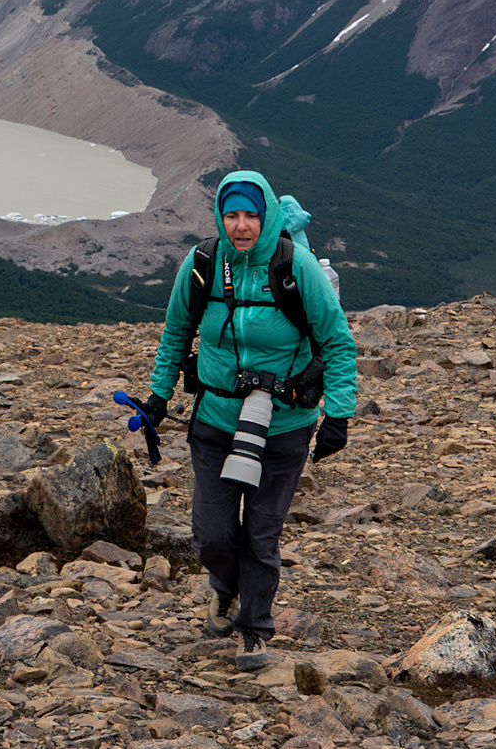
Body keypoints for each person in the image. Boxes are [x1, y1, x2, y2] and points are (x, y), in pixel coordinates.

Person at [133, 170, 357, 669]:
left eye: (251, 215)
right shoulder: (202, 264)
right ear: (220, 215)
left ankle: (254, 628)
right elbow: (176, 334)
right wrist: (157, 396)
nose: (241, 226)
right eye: (232, 215)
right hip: (215, 417)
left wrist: (338, 414)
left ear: (267, 216)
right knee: (211, 533)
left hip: (283, 424)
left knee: (261, 532)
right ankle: (224, 588)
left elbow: (338, 343)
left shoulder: (295, 267)